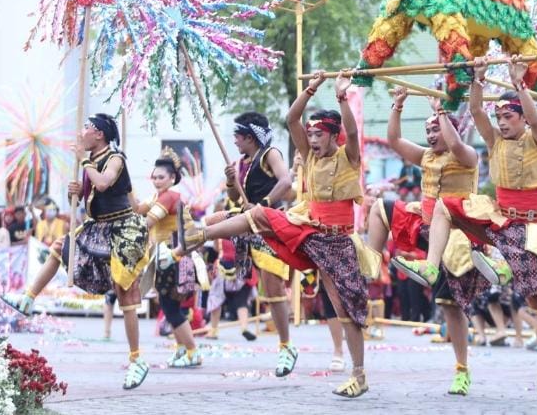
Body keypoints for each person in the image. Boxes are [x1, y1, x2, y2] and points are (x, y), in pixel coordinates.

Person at [179, 71, 374, 398]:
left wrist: (341, 95)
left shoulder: (348, 156)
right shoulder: (309, 157)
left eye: (318, 134)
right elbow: (291, 119)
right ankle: (199, 234)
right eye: (310, 134)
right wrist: (310, 88)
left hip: (338, 243)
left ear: (333, 135)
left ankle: (358, 374)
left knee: (345, 311)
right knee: (257, 214)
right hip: (309, 231)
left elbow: (351, 131)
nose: (312, 139)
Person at [395, 59, 537, 400]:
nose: (501, 122)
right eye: (498, 116)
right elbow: (475, 109)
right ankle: (432, 266)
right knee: (446, 206)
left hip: (532, 225)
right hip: (500, 219)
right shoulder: (494, 140)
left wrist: (519, 85)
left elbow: (535, 119)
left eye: (508, 116)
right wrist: (479, 79)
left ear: (522, 118)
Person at [3, 113, 151, 390]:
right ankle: (28, 299)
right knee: (60, 247)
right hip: (98, 227)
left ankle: (136, 359)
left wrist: (84, 162)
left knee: (125, 292)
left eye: (86, 127)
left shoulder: (114, 158)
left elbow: (104, 183)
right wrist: (77, 191)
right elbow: (92, 194)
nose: (82, 131)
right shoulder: (90, 161)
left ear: (99, 134)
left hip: (122, 229)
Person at [372, 87, 490, 395]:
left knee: (450, 306)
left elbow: (456, 142)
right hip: (424, 227)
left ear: (450, 127)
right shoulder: (425, 156)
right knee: (380, 207)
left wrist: (441, 111)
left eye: (436, 128)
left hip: (457, 235)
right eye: (428, 131)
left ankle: (462, 369)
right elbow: (395, 141)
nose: (431, 135)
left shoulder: (467, 155)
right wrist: (397, 106)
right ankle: (371, 264)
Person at [220, 112, 295, 368]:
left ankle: (286, 346)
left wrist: (262, 205)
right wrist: (230, 181)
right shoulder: (241, 162)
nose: (235, 141)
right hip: (248, 223)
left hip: (271, 223)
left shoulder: (270, 154)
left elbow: (286, 182)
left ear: (250, 137)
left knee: (273, 288)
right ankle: (189, 238)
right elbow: (234, 197)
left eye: (238, 137)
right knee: (211, 222)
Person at [134, 149, 203, 368]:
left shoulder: (170, 196)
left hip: (174, 257)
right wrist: (125, 188)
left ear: (172, 178)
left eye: (161, 177)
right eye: (154, 177)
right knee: (168, 306)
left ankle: (193, 352)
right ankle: (181, 349)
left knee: (171, 308)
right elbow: (136, 209)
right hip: (166, 257)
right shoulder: (157, 196)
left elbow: (147, 221)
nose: (156, 181)